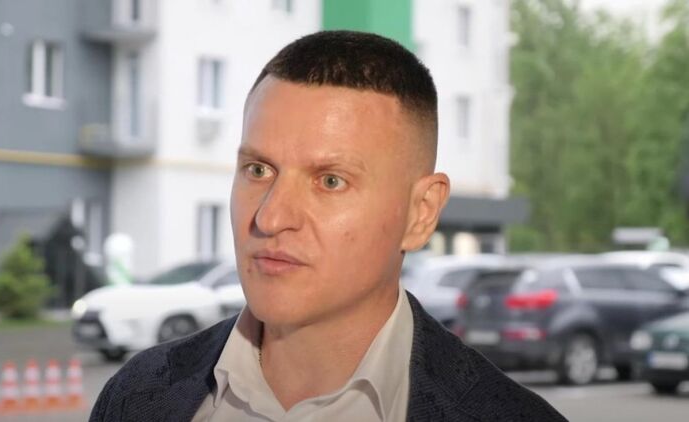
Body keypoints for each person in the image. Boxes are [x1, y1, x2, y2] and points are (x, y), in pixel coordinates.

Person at [90, 30, 567, 422]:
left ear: (420, 213)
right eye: (258, 170)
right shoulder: (137, 396)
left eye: (330, 181)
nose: (270, 217)